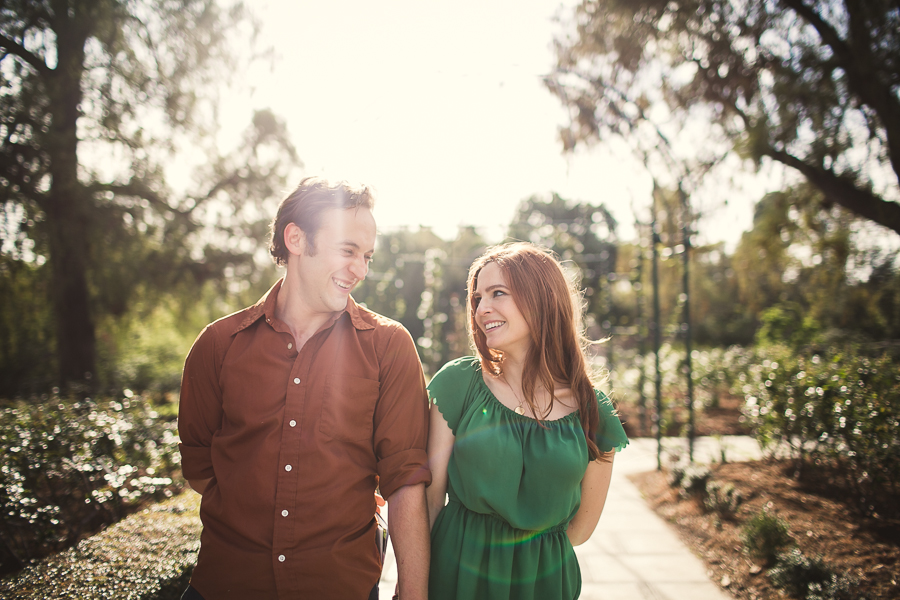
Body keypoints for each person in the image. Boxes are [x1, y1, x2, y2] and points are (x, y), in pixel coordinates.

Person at [177, 176, 431, 600]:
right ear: (296, 238)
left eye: (366, 256)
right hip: (225, 586)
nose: (361, 269)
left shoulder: (389, 346)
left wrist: (414, 594)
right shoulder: (218, 346)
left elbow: (405, 481)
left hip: (340, 587)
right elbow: (201, 465)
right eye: (347, 251)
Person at [425, 242, 628, 600]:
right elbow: (428, 500)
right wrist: (413, 585)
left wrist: (525, 561)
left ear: (541, 299)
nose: (481, 308)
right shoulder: (458, 383)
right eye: (478, 298)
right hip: (456, 575)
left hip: (544, 583)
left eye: (497, 293)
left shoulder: (593, 410)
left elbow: (580, 530)